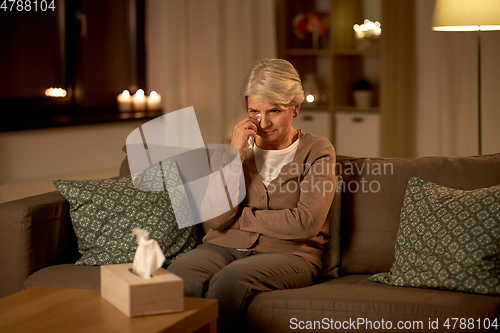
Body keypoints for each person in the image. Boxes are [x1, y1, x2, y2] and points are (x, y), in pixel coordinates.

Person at [167, 59, 336, 332]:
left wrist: (241, 218)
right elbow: (218, 220)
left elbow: (305, 222)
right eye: (254, 111)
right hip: (221, 246)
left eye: (275, 110)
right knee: (179, 276)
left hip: (291, 255)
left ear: (296, 108)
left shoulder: (317, 150)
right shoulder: (230, 148)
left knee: (229, 282)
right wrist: (233, 155)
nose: (264, 122)